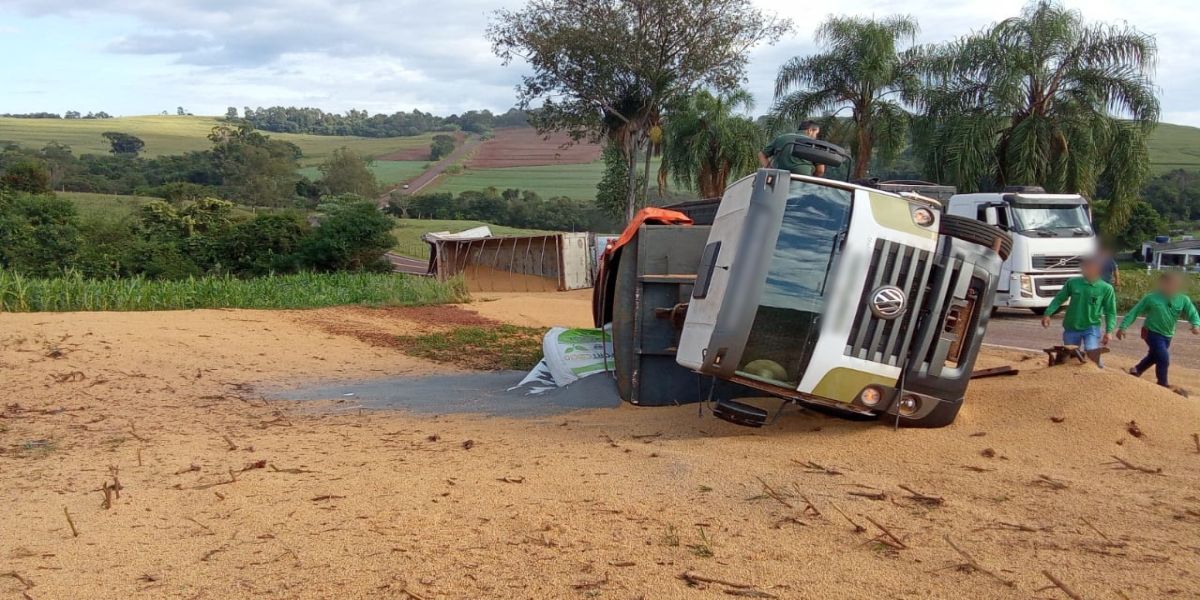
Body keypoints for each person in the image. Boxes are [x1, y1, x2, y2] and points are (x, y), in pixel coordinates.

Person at [1116, 271, 1200, 387]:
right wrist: (1123, 327)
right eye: (1169, 284)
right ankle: (1162, 384)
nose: (1172, 287)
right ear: (1162, 284)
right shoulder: (1151, 298)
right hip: (1151, 332)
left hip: (1168, 335)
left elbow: (1192, 313)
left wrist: (1196, 325)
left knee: (1155, 355)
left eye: (1174, 284)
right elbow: (1134, 312)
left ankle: (1137, 369)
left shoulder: (1183, 299)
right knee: (1163, 357)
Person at [1041, 256, 1117, 365]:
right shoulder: (1072, 283)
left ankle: (1099, 373)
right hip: (1071, 326)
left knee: (1092, 351)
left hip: (1092, 326)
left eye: (1088, 267)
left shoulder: (1106, 288)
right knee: (1070, 356)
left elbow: (1110, 311)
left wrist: (1109, 331)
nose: (1084, 270)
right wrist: (1048, 313)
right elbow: (1059, 299)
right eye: (1083, 267)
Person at [759, 120, 826, 177]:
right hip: (802, 181)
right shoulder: (815, 144)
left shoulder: (781, 138)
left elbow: (761, 155)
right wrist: (810, 180)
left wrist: (771, 171)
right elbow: (820, 171)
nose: (816, 137)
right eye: (816, 134)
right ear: (810, 130)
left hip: (780, 178)